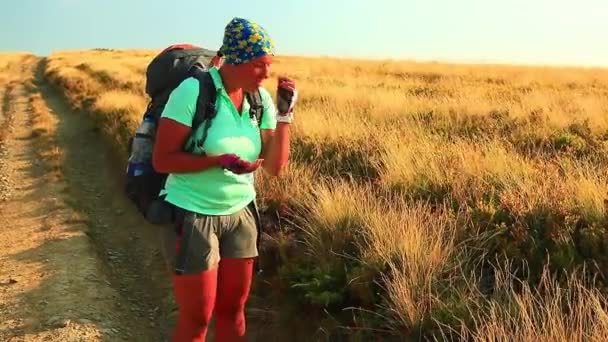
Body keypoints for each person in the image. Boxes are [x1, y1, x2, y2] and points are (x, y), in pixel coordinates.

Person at [152, 17, 297, 342]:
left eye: (269, 64)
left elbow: (275, 167)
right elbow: (162, 160)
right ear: (237, 60)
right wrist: (217, 161)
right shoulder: (193, 92)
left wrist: (285, 117)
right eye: (260, 65)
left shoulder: (260, 101)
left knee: (233, 310)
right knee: (197, 319)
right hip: (192, 214)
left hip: (241, 213)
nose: (267, 73)